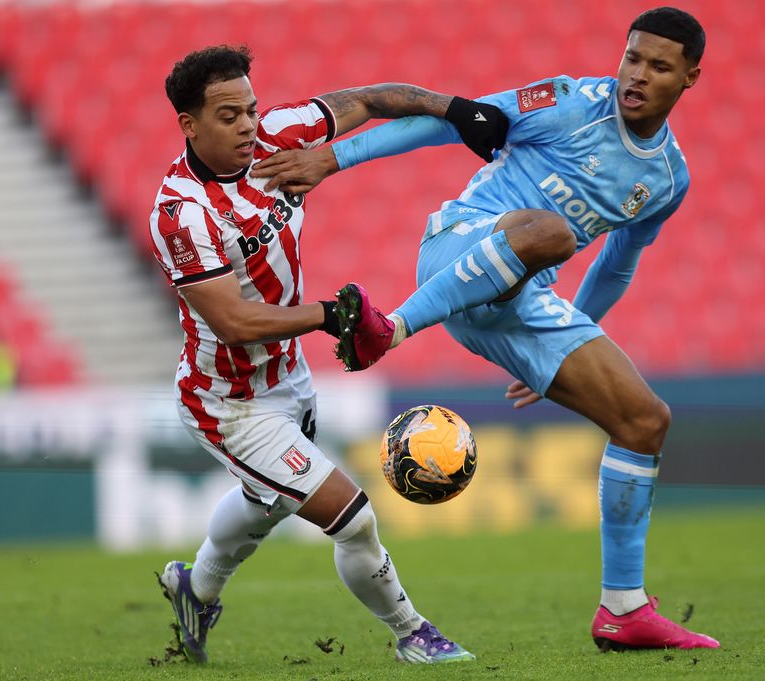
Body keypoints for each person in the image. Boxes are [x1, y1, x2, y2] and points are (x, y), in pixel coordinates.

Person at [252, 7, 719, 651]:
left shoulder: (666, 179)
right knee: (552, 231)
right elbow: (447, 122)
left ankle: (623, 609)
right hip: (458, 244)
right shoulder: (569, 102)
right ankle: (391, 329)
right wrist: (332, 159)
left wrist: (569, 339)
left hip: (520, 298)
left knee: (645, 421)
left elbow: (618, 262)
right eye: (631, 57)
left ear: (689, 77)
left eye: (658, 67)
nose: (636, 75)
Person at [148, 45, 509, 665]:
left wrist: (452, 108)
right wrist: (329, 314)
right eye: (229, 116)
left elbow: (368, 100)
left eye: (251, 110)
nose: (248, 126)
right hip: (228, 402)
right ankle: (413, 634)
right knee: (352, 517)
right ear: (190, 124)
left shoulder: (278, 137)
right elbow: (233, 322)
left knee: (264, 502)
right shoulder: (181, 213)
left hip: (288, 377)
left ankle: (195, 588)